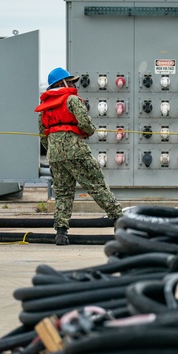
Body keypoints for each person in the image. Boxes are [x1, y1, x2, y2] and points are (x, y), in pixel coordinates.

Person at [35, 67, 123, 245]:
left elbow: (43, 134)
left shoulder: (45, 107)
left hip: (54, 155)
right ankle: (119, 220)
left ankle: (61, 232)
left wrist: (54, 148)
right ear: (62, 83)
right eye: (71, 81)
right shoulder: (72, 100)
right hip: (76, 150)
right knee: (96, 185)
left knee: (62, 193)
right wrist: (86, 133)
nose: (74, 84)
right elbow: (86, 123)